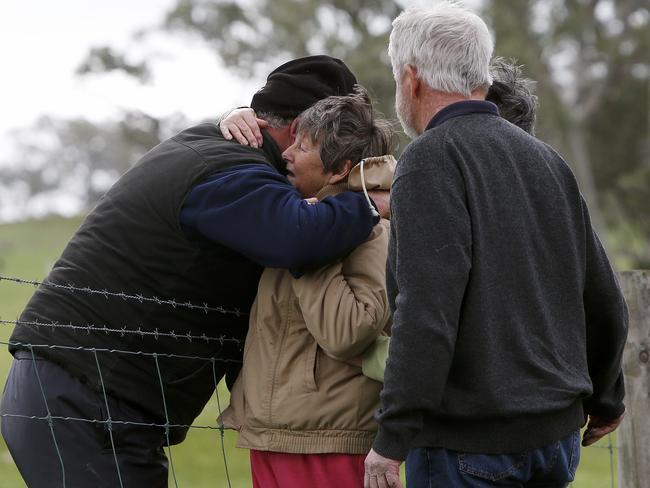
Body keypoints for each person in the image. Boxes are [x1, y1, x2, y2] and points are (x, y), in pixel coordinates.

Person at [1, 55, 386, 487]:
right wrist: (372, 203)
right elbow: (297, 237)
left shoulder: (219, 151)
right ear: (300, 130)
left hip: (92, 394)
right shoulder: (232, 171)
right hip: (82, 400)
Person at [363, 3, 628, 488]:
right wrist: (607, 398)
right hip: (555, 439)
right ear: (478, 77)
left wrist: (391, 438)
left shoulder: (430, 159)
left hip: (468, 447)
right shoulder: (547, 159)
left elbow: (426, 311)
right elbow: (604, 296)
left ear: (411, 79)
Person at [220, 87, 395, 488]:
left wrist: (315, 250)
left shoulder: (373, 233)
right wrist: (231, 118)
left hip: (329, 444)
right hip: (275, 436)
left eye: (304, 146)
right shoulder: (294, 220)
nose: (287, 153)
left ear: (339, 169)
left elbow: (349, 330)